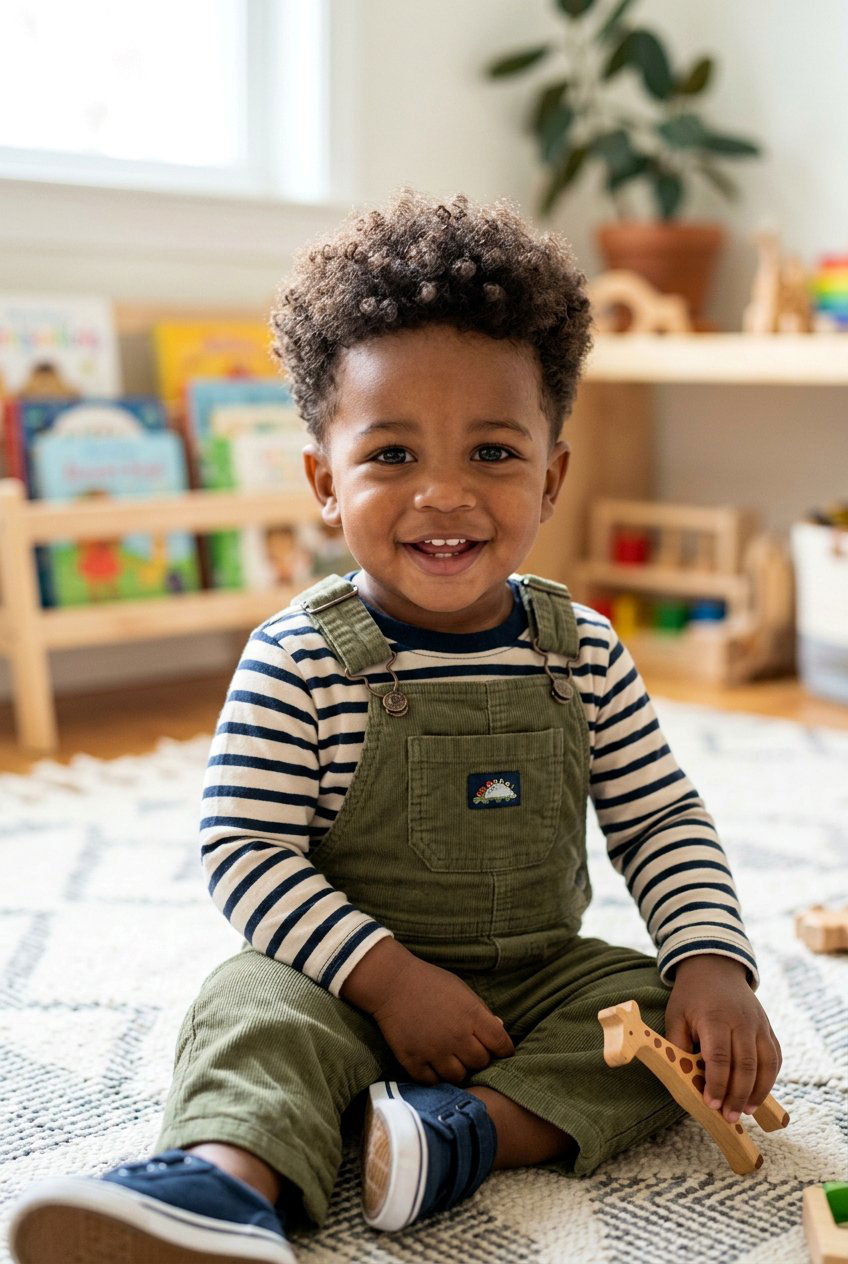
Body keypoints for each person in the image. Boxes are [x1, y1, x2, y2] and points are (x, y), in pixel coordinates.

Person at [7, 189, 782, 1264]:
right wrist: (388, 979)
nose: (444, 496)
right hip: (347, 986)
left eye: (493, 455)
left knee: (646, 1020)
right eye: (392, 457)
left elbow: (658, 822)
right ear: (325, 482)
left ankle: (453, 1139)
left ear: (551, 477)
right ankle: (223, 1186)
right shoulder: (299, 658)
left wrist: (712, 964)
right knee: (249, 1005)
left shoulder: (583, 649)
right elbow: (243, 850)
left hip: (531, 980)